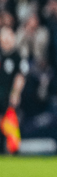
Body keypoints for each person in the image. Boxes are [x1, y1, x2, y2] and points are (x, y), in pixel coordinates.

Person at [0, 26, 28, 154]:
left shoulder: (17, 56)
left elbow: (20, 76)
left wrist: (15, 93)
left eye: (9, 35)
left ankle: (12, 150)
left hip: (9, 99)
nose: (7, 39)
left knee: (11, 125)